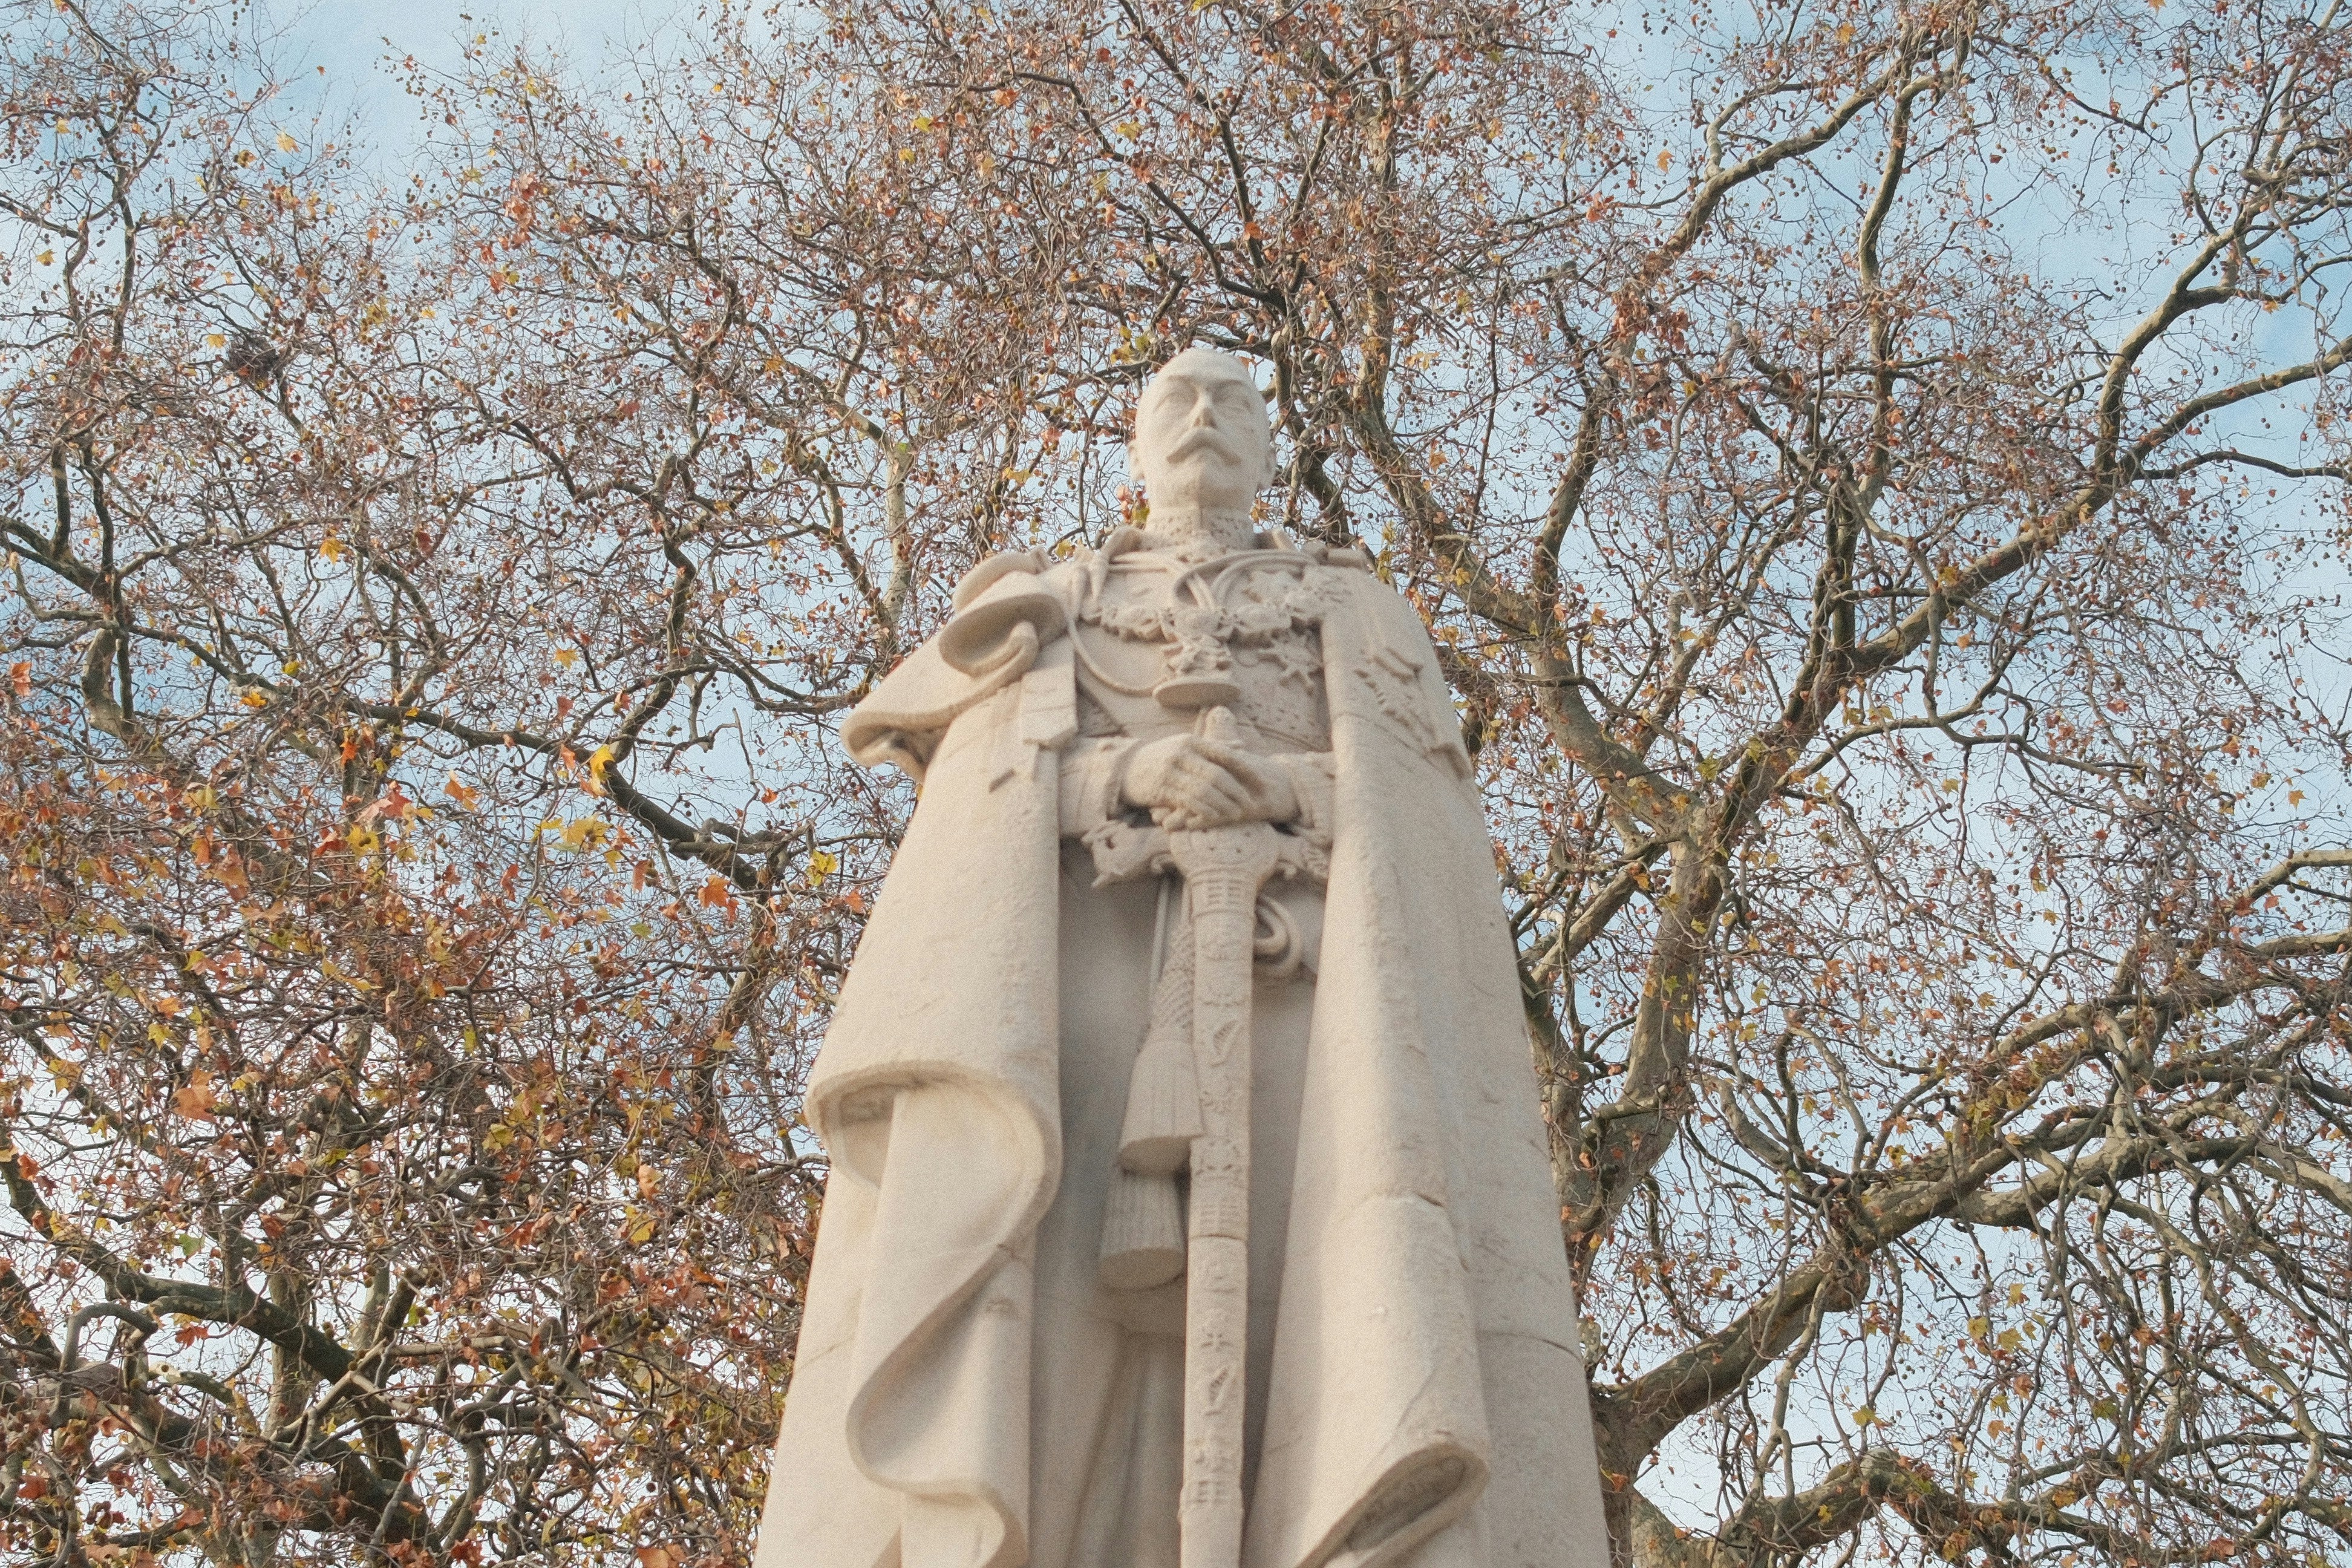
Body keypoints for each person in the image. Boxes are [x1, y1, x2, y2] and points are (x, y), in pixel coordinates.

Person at [755, 348, 1609, 1568]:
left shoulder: (1357, 611)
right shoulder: (1054, 602)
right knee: (1046, 1366)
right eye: (1177, 403)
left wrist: (1299, 790)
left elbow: (1428, 835)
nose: (1206, 420)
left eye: (1237, 404)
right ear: (1138, 447)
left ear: (1273, 447)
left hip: (1309, 1047)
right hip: (1071, 1041)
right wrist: (1123, 773)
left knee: (1321, 1335)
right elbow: (974, 802)